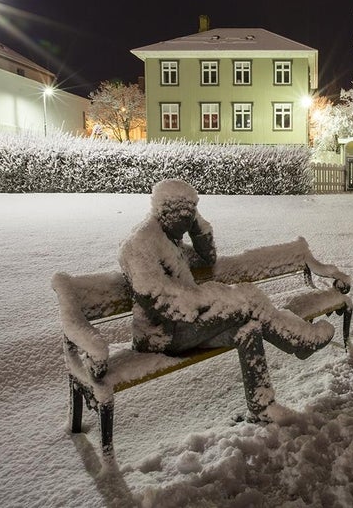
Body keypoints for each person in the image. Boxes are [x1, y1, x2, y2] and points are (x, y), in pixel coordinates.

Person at [118, 179, 336, 422]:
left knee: (248, 329)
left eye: (191, 215)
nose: (186, 221)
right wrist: (210, 305)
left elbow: (209, 257)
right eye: (183, 216)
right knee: (248, 302)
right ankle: (299, 339)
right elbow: (162, 303)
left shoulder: (170, 237)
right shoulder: (140, 246)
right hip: (164, 336)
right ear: (164, 212)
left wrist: (196, 225)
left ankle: (262, 407)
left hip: (188, 323)